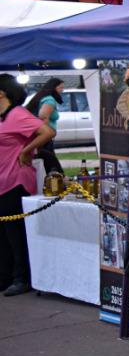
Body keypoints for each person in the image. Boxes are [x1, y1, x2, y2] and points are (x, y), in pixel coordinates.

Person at [0, 74, 54, 297]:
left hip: (16, 179)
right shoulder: (3, 117)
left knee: (15, 232)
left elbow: (48, 131)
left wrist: (25, 150)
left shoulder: (17, 114)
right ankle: (6, 276)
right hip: (2, 179)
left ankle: (22, 278)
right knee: (3, 232)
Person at [25, 77, 66, 178]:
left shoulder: (41, 97)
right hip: (44, 137)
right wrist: (46, 134)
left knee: (46, 159)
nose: (62, 90)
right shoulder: (49, 99)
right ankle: (56, 181)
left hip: (38, 135)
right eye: (61, 88)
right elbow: (43, 116)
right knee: (49, 160)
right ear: (54, 88)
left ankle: (52, 180)